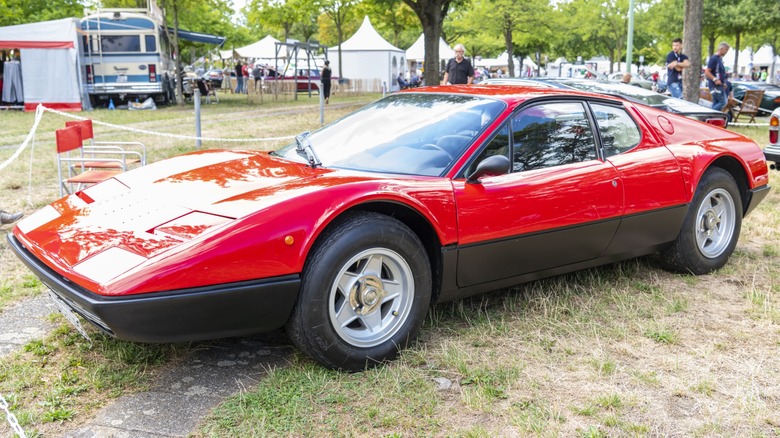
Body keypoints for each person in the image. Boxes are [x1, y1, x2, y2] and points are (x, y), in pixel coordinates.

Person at [705, 42, 730, 112]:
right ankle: (709, 114)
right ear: (721, 49)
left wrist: (723, 82)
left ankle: (711, 120)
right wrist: (715, 79)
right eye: (726, 50)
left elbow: (720, 72)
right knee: (723, 102)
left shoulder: (720, 59)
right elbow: (707, 71)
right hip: (715, 85)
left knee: (716, 102)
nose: (726, 52)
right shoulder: (714, 59)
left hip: (719, 85)